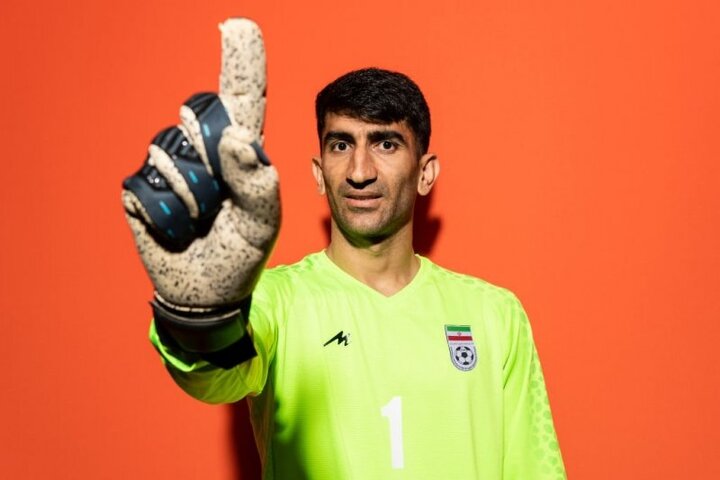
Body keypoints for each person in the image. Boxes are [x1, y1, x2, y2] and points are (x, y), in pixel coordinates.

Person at [123, 19, 566, 480]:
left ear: (426, 172)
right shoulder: (274, 301)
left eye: (386, 144)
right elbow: (214, 378)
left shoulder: (495, 315)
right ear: (319, 172)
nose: (359, 171)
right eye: (340, 145)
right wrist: (200, 317)